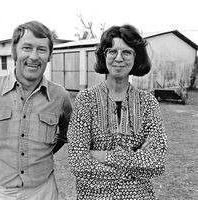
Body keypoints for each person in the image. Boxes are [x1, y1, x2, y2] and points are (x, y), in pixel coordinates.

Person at [0, 20, 72, 200]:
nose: (34, 56)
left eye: (41, 49)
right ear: (14, 52)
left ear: (49, 55)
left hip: (43, 192)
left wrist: (43, 154)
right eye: (27, 48)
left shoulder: (60, 96)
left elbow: (65, 134)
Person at [68, 24, 168, 199]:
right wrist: (134, 168)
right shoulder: (85, 100)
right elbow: (78, 163)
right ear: (104, 56)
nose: (119, 58)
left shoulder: (148, 103)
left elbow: (157, 162)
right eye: (112, 51)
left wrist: (105, 155)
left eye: (127, 52)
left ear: (136, 57)